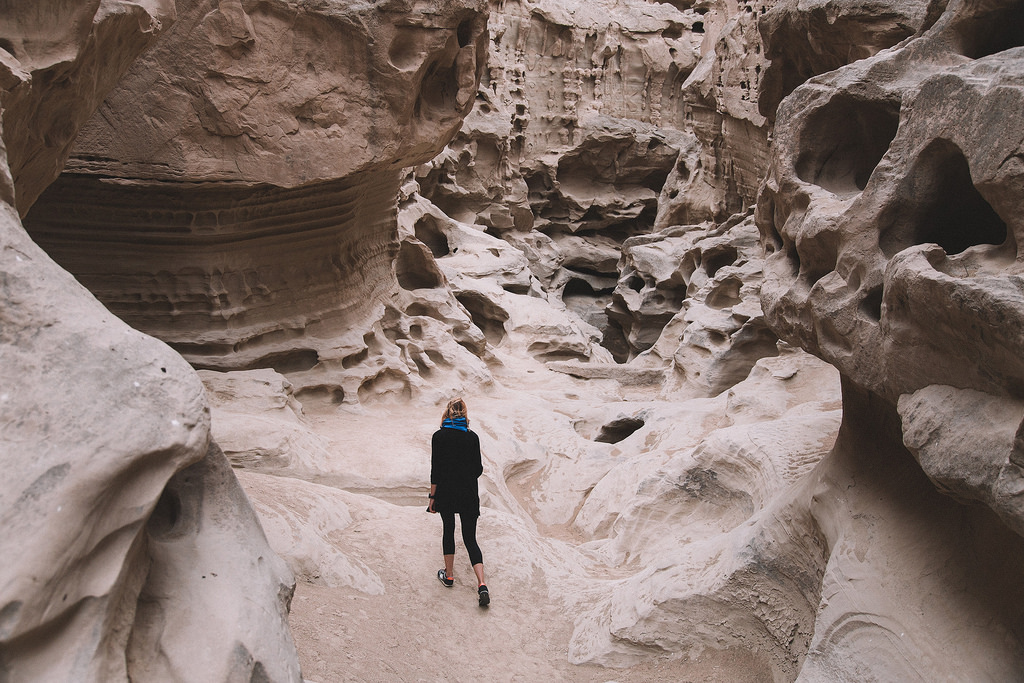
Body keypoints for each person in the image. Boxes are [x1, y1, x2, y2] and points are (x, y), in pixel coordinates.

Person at [427, 397, 489, 607]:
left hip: (446, 492)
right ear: (464, 414)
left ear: (447, 412)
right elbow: (478, 469)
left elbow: (435, 469)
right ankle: (481, 584)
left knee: (448, 530)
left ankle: (449, 575)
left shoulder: (439, 436)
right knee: (470, 538)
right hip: (468, 494)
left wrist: (432, 498)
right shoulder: (472, 438)